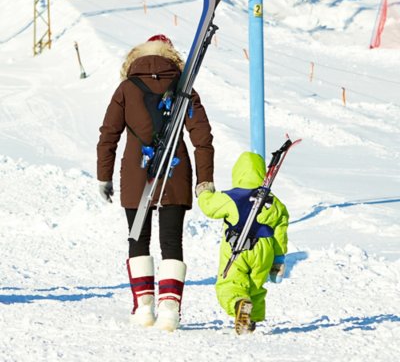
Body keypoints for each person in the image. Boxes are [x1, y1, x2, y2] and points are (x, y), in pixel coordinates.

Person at [96, 34, 215, 332]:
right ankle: (170, 311)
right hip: (176, 172)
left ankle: (144, 307)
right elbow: (202, 138)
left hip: (137, 174)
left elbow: (108, 136)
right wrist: (205, 180)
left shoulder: (126, 88)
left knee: (138, 238)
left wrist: (104, 176)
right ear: (171, 57)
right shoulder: (184, 89)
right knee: (172, 241)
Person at [197, 151, 289, 334]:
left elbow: (209, 207)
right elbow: (281, 229)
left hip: (236, 247)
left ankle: (240, 304)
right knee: (255, 285)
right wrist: (278, 259)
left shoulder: (232, 197)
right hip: (264, 251)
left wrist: (204, 193)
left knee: (230, 283)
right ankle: (251, 318)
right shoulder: (273, 202)